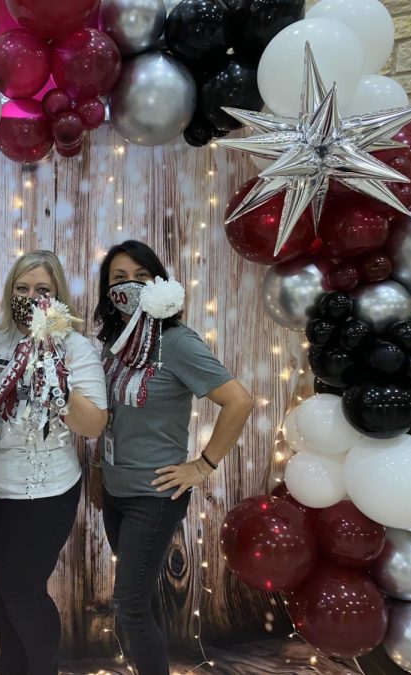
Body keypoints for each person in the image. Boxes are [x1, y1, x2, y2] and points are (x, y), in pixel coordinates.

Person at [91, 240, 253, 675]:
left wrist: (203, 465)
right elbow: (107, 417)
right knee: (140, 602)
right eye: (119, 279)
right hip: (115, 491)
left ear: (159, 283)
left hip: (154, 497)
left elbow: (238, 401)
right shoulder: (113, 344)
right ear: (107, 292)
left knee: (128, 608)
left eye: (141, 277)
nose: (129, 286)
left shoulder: (177, 342)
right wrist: (95, 471)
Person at [0, 250, 108, 675]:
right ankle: (11, 666)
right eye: (22, 288)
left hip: (42, 490)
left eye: (42, 290)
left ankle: (43, 668)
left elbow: (93, 425)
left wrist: (56, 381)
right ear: (10, 291)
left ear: (58, 295)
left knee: (23, 592)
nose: (31, 297)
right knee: (4, 588)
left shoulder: (75, 345)